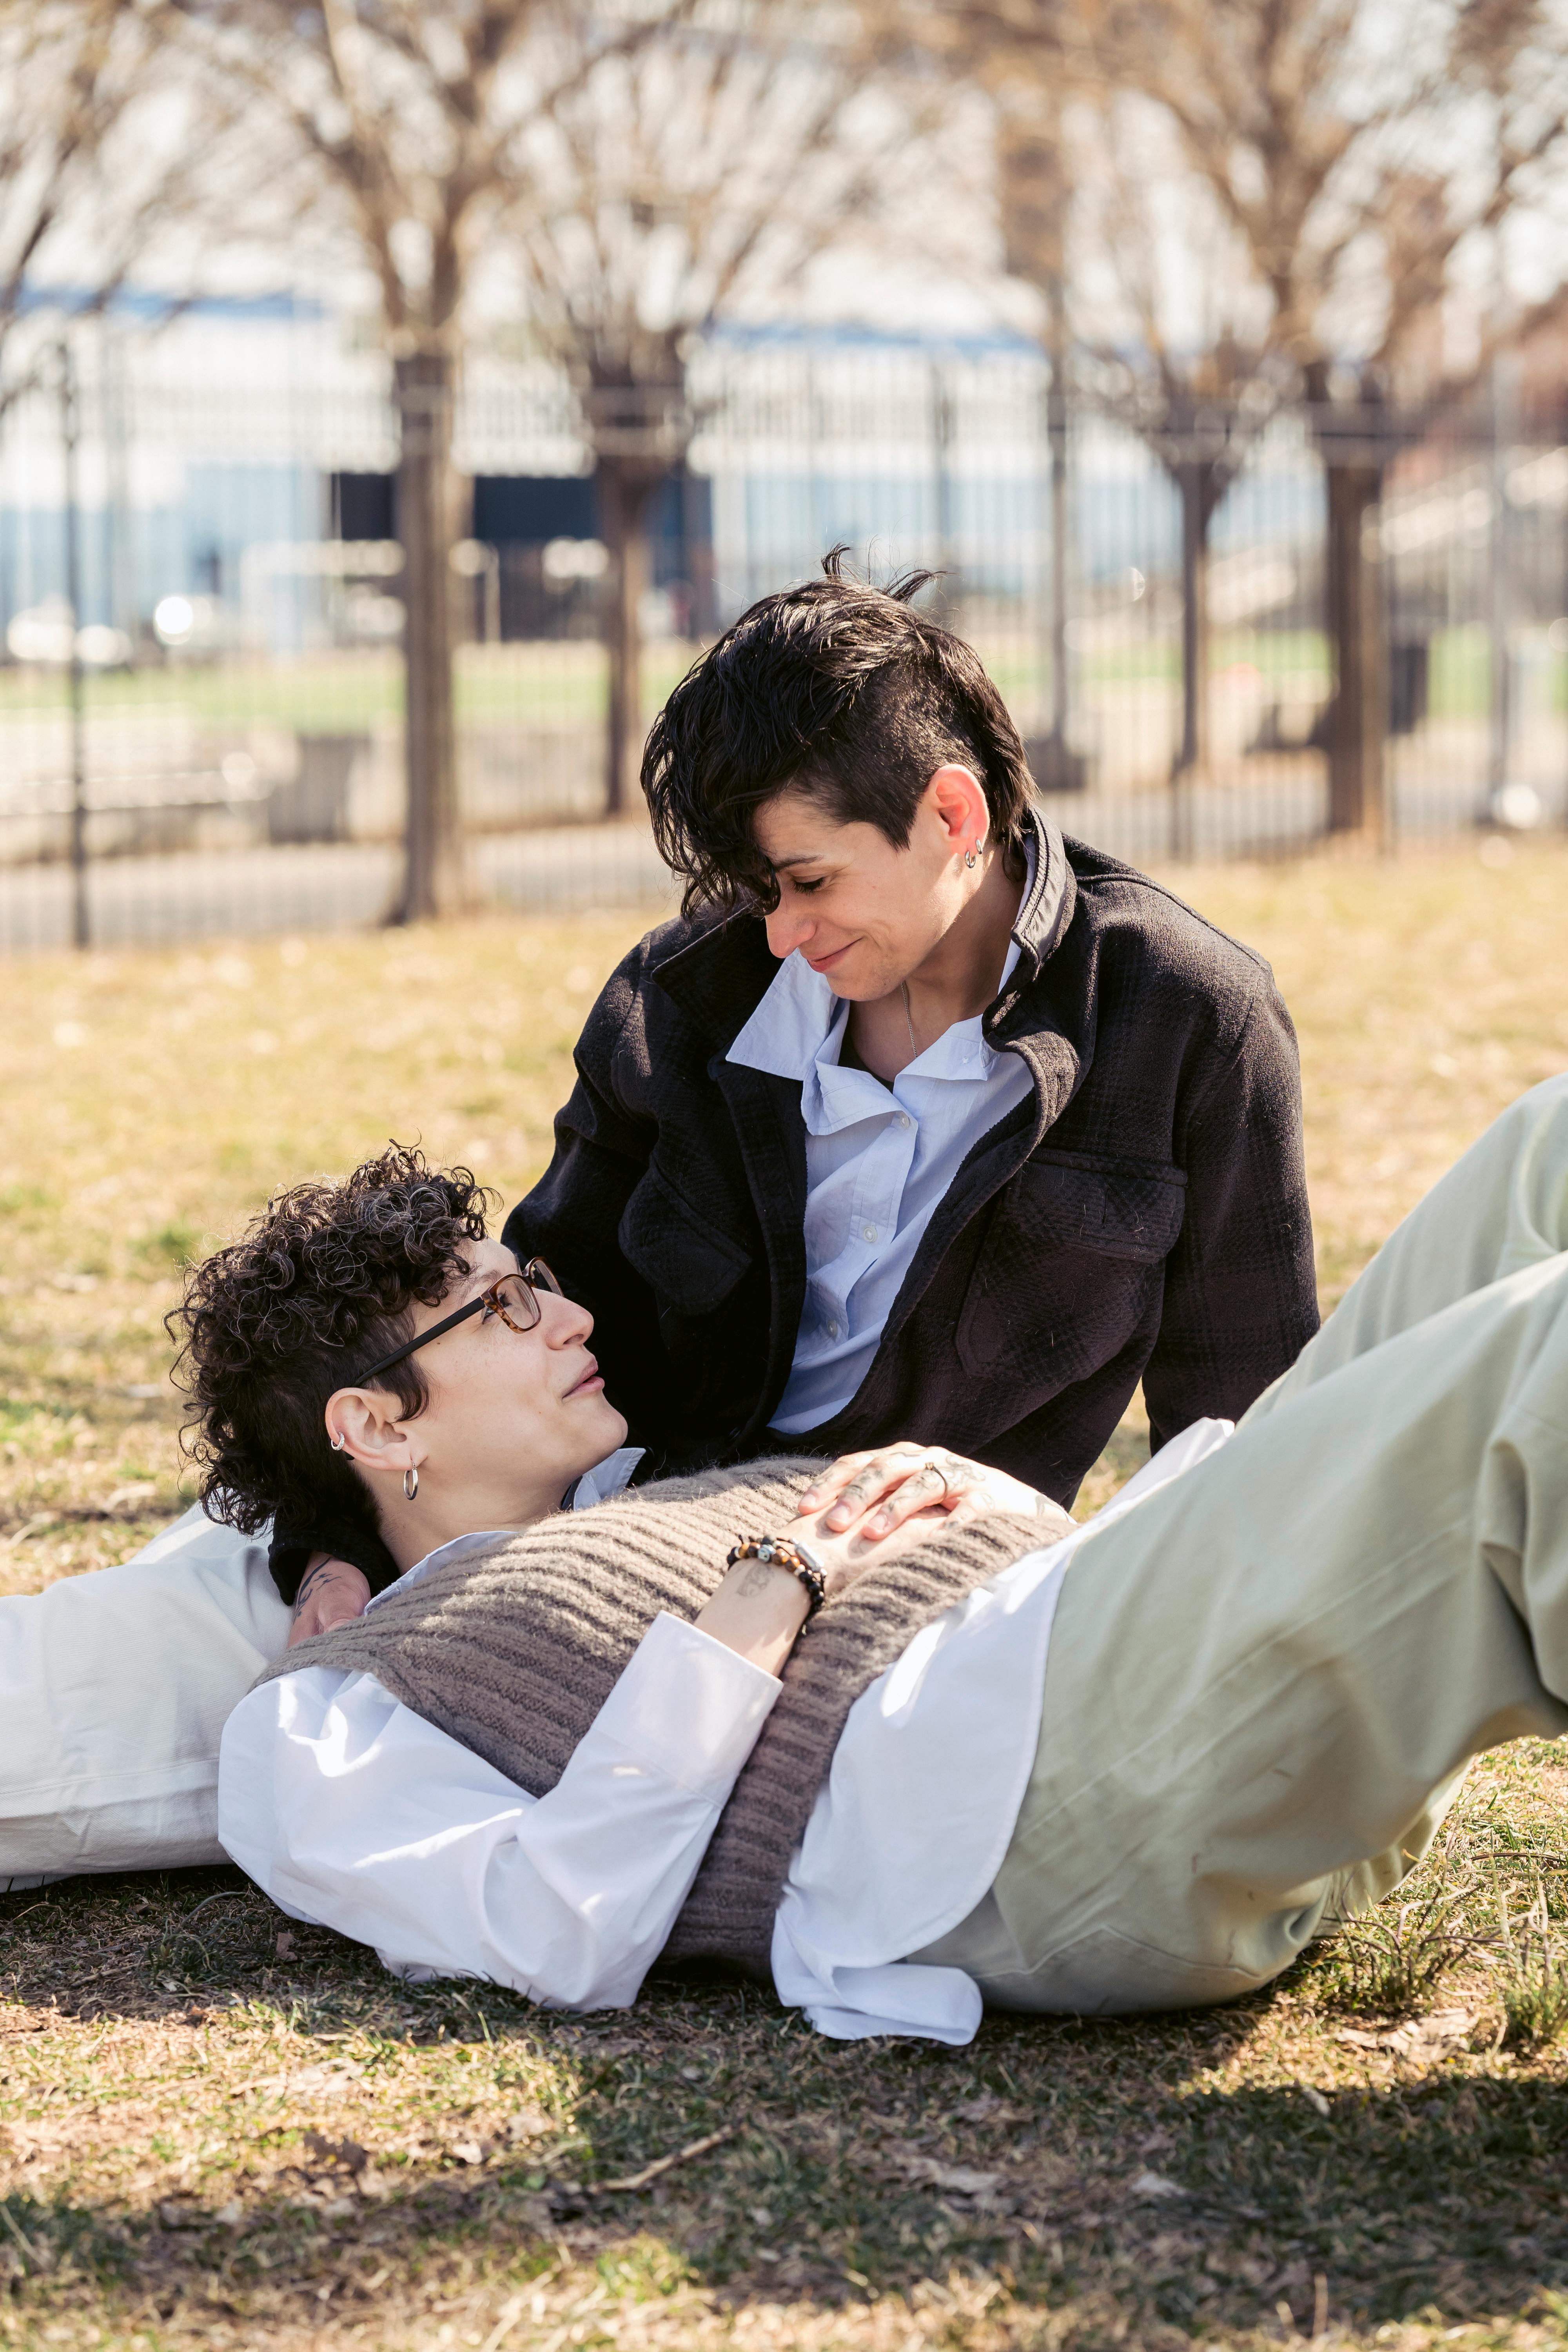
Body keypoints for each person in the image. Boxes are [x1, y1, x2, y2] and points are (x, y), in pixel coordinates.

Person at [198, 1077, 1568, 2043]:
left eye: (537, 1281)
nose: (562, 1313)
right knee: (1540, 1356)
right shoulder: (322, 1718)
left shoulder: (652, 1486)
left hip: (1111, 1670)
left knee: (1544, 1148)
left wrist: (994, 1512)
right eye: (500, 1307)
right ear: (374, 1425)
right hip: (1023, 1812)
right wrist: (760, 1603)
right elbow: (557, 1928)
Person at [267, 557, 1318, 1605]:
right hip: (642, 1556)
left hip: (930, 1595)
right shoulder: (681, 998)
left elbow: (1243, 1424)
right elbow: (542, 1308)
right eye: (757, 889)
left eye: (812, 881)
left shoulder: (1188, 1020)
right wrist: (336, 1545)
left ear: (954, 817)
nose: (780, 932)